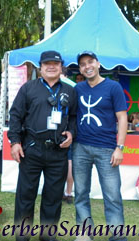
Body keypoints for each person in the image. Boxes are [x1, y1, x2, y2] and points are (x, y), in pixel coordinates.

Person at [7, 50, 77, 241]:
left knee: (53, 196)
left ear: (61, 66)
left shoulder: (69, 91)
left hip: (58, 152)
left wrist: (71, 133)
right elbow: (15, 116)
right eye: (47, 64)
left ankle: (48, 235)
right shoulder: (28, 88)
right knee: (25, 196)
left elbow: (73, 117)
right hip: (32, 150)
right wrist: (15, 142)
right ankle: (21, 240)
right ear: (40, 67)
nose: (51, 67)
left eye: (55, 63)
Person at [71, 51, 130, 241]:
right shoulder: (78, 89)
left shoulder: (113, 87)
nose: (87, 66)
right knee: (81, 194)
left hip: (107, 150)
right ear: (80, 69)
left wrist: (119, 147)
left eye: (90, 62)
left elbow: (122, 118)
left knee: (112, 196)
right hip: (80, 148)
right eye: (83, 64)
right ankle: (85, 234)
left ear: (98, 64)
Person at [60, 67, 75, 204]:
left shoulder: (55, 85)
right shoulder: (75, 86)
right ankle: (68, 192)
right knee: (70, 161)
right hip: (72, 129)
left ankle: (58, 191)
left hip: (58, 129)